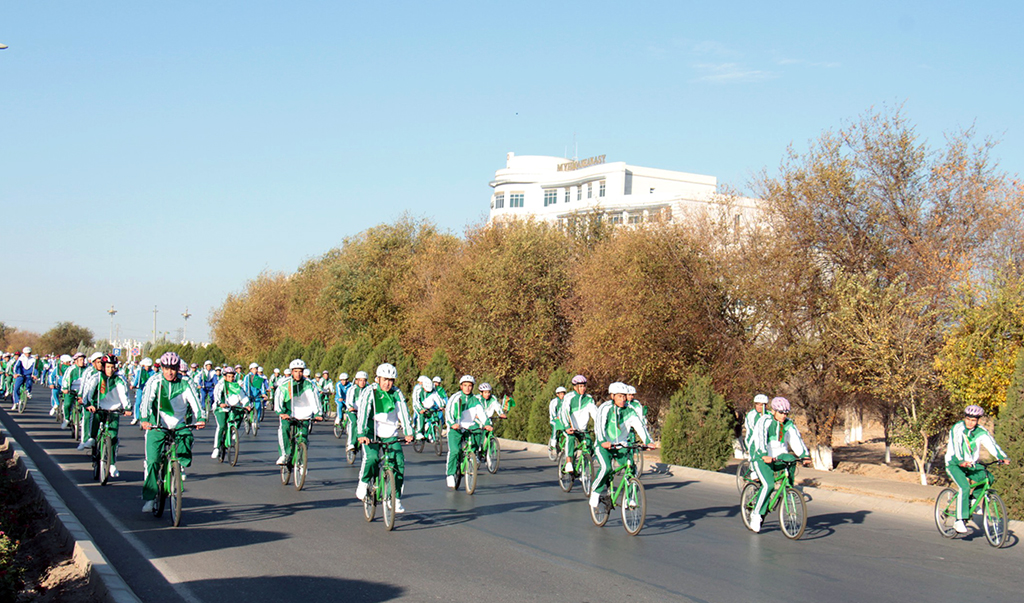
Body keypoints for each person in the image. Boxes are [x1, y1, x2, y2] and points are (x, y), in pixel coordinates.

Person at [138, 352, 206, 513]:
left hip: (178, 424)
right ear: (161, 368)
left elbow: (195, 402)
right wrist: (145, 419)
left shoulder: (185, 383)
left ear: (178, 368)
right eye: (166, 368)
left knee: (187, 438)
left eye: (173, 368)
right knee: (153, 461)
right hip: (157, 425)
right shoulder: (155, 381)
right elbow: (146, 401)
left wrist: (201, 417)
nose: (170, 372)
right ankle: (150, 498)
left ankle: (178, 467)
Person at [355, 363, 413, 511]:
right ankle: (364, 482)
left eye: (391, 380)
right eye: (385, 379)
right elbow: (362, 413)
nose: (388, 383)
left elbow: (404, 413)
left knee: (399, 462)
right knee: (372, 457)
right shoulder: (370, 391)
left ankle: (395, 498)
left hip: (390, 433)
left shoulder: (396, 393)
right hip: (371, 432)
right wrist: (361, 434)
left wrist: (408, 432)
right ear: (378, 379)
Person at [748, 397, 811, 533]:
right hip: (761, 456)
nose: (783, 416)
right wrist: (764, 454)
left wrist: (804, 455)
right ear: (774, 411)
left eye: (786, 413)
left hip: (778, 455)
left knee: (791, 460)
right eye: (781, 413)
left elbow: (795, 439)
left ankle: (788, 487)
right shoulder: (765, 420)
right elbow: (760, 438)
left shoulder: (788, 424)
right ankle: (756, 515)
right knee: (769, 485)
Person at [944, 405, 1010, 534]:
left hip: (971, 464)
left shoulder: (981, 431)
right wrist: (961, 461)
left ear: (978, 420)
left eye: (973, 420)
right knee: (964, 487)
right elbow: (957, 446)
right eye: (968, 419)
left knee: (988, 478)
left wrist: (1002, 457)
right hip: (954, 463)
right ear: (964, 418)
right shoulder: (957, 428)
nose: (970, 422)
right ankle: (959, 520)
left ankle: (972, 500)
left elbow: (992, 445)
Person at [590, 382, 656, 507]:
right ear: (612, 396)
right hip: (604, 445)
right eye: (620, 396)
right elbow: (599, 427)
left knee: (632, 469)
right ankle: (595, 491)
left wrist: (648, 442)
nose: (623, 399)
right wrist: (603, 441)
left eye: (624, 396)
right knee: (606, 468)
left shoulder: (629, 410)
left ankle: (630, 497)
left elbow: (639, 426)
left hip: (621, 446)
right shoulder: (605, 408)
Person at [80, 354, 132, 477]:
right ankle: (92, 438)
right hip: (99, 407)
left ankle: (112, 464)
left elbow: (124, 394)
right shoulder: (96, 377)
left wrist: (127, 408)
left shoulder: (119, 379)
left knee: (113, 437)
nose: (110, 370)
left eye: (112, 367)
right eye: (108, 367)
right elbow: (89, 392)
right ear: (103, 367)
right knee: (95, 418)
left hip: (114, 409)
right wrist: (88, 404)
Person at [443, 375, 492, 489]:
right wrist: (452, 424)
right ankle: (450, 473)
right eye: (465, 385)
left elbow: (481, 413)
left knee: (476, 441)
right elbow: (448, 413)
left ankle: (472, 459)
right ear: (461, 386)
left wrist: (486, 423)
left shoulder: (475, 400)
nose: (467, 388)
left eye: (470, 386)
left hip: (470, 427)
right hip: (456, 427)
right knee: (455, 451)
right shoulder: (455, 398)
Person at [273, 359, 323, 466]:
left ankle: (301, 461)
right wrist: (281, 412)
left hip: (304, 415)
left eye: (300, 371)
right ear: (292, 372)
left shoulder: (309, 384)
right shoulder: (285, 384)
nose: (298, 374)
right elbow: (278, 398)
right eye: (296, 371)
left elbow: (314, 399)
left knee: (303, 438)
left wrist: (318, 413)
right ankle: (285, 455)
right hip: (288, 413)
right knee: (284, 429)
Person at [559, 375, 597, 473]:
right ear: (575, 387)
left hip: (582, 429)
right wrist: (567, 426)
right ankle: (568, 463)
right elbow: (564, 413)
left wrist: (599, 425)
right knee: (570, 439)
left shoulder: (588, 399)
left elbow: (595, 413)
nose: (582, 388)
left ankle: (582, 465)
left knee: (590, 445)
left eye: (584, 386)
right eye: (580, 386)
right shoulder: (569, 398)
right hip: (570, 428)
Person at [211, 366, 249, 459]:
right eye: (229, 376)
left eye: (232, 376)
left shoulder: (236, 385)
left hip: (233, 407)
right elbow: (216, 396)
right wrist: (220, 403)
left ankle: (233, 431)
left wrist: (247, 404)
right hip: (221, 409)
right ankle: (216, 447)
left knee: (241, 414)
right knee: (222, 426)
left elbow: (243, 396)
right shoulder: (220, 385)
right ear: (224, 376)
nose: (231, 379)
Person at [60, 353, 88, 430]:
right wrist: (65, 388)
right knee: (67, 404)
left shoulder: (87, 369)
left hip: (82, 391)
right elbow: (66, 380)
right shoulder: (71, 369)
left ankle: (82, 420)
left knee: (84, 405)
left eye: (83, 360)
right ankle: (66, 419)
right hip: (71, 390)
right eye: (80, 360)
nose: (82, 362)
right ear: (75, 361)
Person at [342, 371, 369, 452]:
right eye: (360, 380)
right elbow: (349, 400)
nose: (362, 382)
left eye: (364, 380)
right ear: (356, 381)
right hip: (353, 411)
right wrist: (350, 407)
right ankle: (351, 443)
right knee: (354, 423)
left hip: (363, 412)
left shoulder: (368, 389)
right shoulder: (352, 389)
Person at [131, 358, 156, 425]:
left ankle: (148, 417)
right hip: (141, 389)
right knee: (138, 403)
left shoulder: (153, 373)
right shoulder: (140, 371)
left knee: (149, 403)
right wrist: (133, 385)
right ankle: (136, 417)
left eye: (149, 366)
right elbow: (137, 379)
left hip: (149, 390)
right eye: (146, 366)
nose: (148, 367)